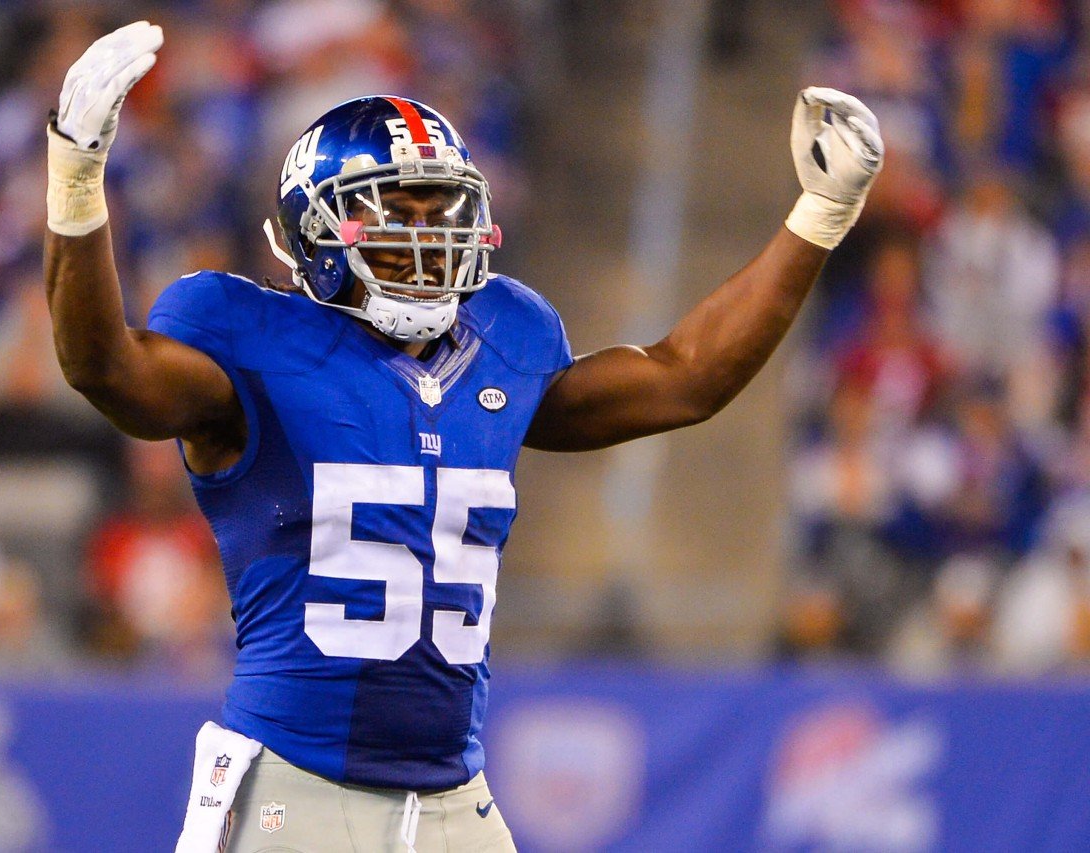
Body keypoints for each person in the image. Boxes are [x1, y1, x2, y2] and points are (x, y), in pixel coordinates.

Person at [43, 21, 883, 853]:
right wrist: (78, 177)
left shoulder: (507, 340)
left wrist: (820, 212)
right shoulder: (249, 339)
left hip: (455, 802)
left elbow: (685, 377)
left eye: (441, 210)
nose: (428, 238)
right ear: (318, 229)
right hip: (291, 790)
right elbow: (105, 370)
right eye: (396, 213)